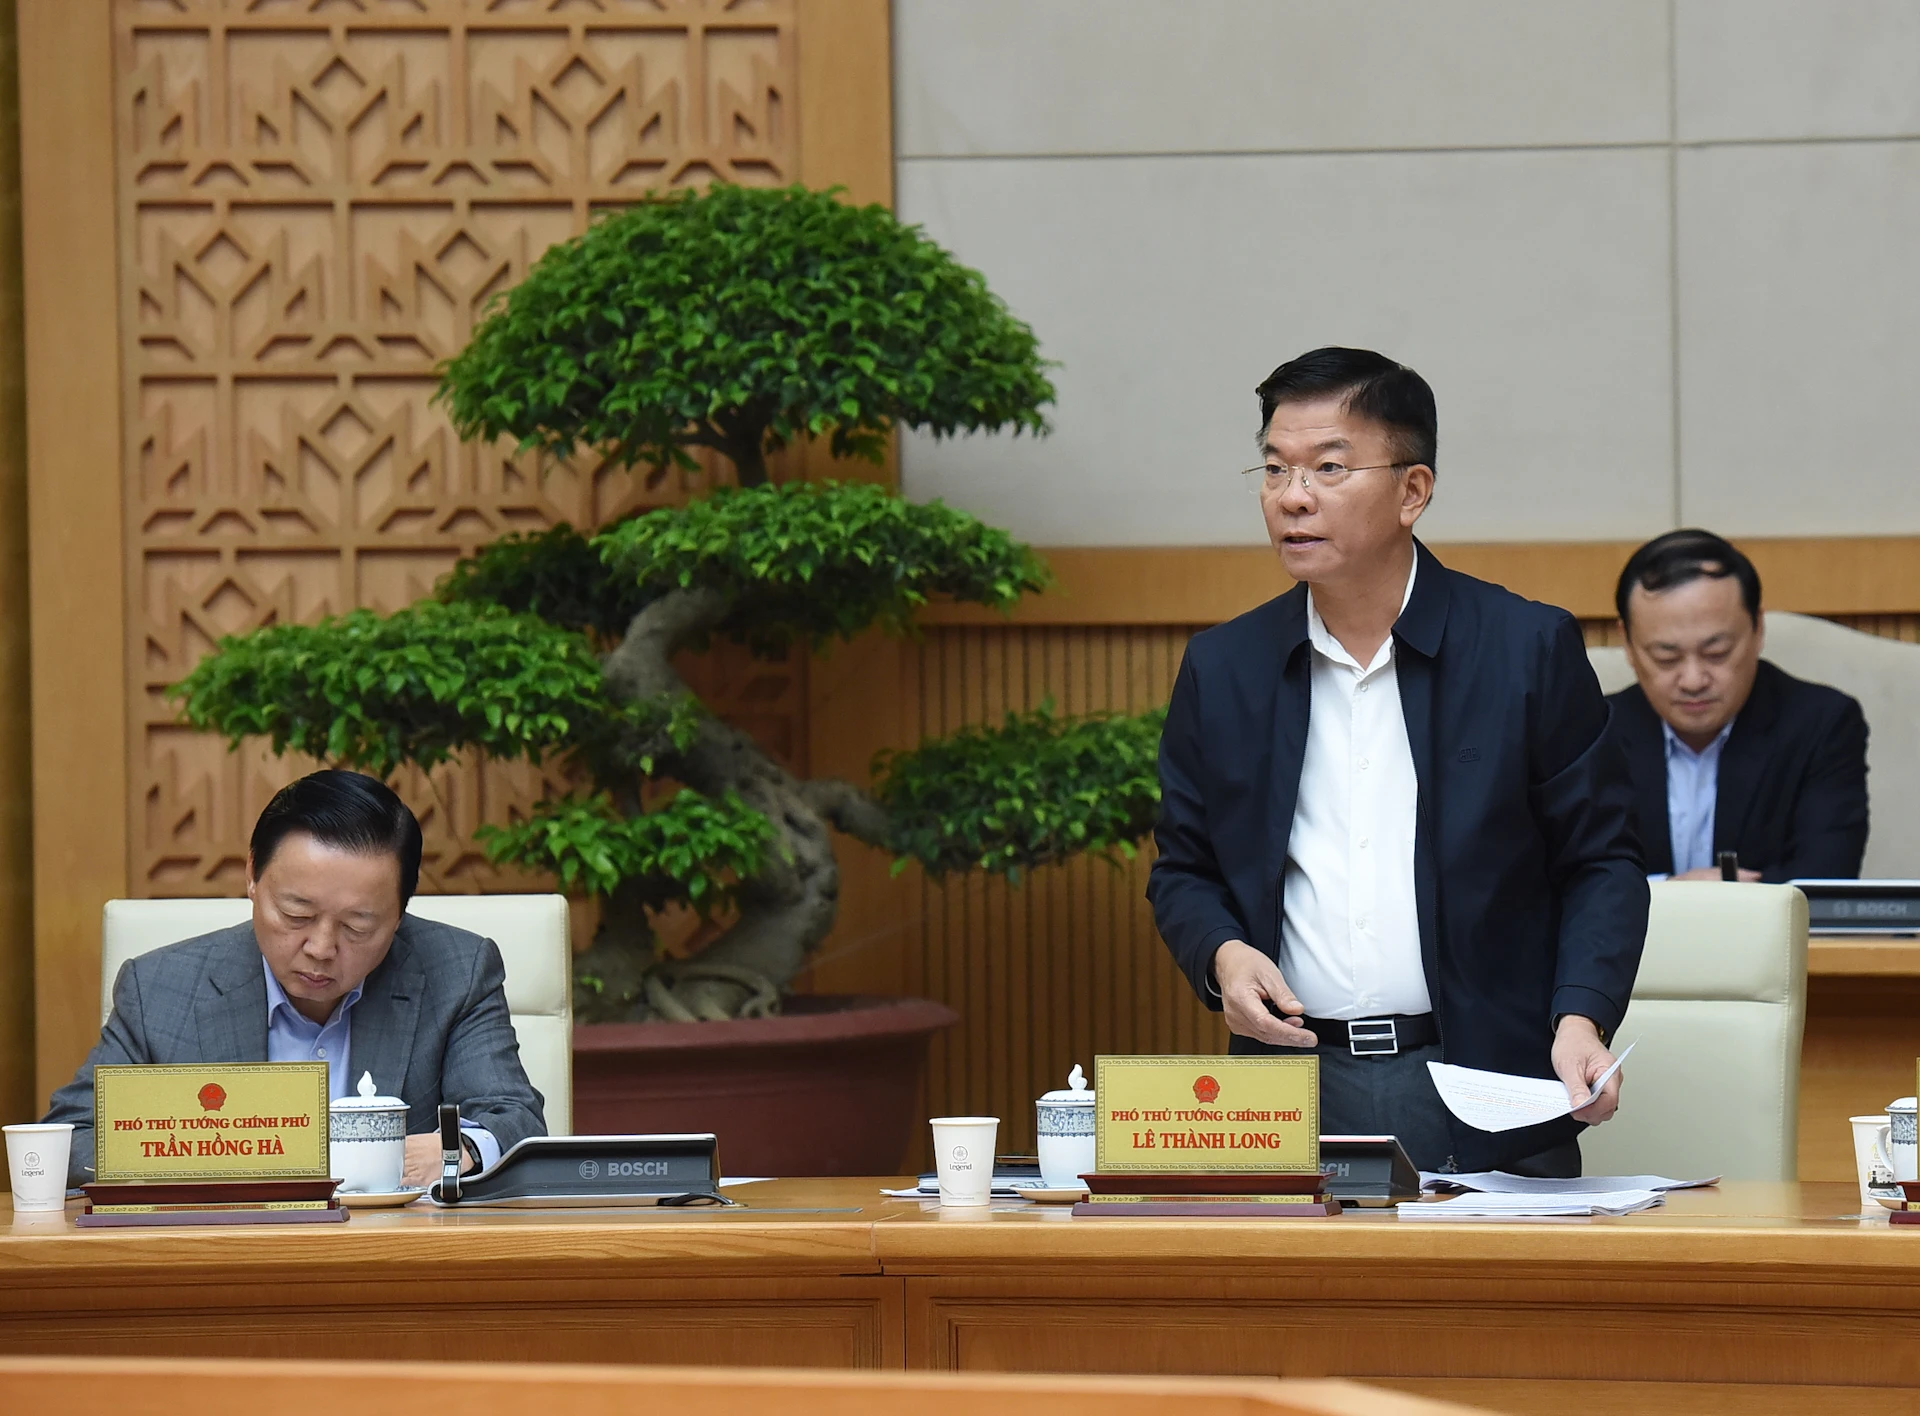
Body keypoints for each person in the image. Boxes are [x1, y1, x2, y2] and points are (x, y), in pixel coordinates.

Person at [1148, 347, 1648, 1176]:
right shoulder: (1224, 667)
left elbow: (1601, 859)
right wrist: (1222, 957)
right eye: (1274, 469)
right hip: (1288, 1087)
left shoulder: (1525, 649)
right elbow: (1184, 868)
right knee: (1291, 1310)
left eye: (1329, 468)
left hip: (1486, 1080)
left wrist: (1581, 1016)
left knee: (1489, 1310)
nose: (1293, 496)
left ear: (1413, 491)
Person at [46, 770, 545, 1187]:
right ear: (252, 876)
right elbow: (68, 1140)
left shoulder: (457, 970)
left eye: (358, 926)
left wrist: (456, 1152)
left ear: (400, 915)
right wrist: (222, 1153)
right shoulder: (158, 989)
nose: (321, 948)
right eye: (296, 914)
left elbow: (515, 1120)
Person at [1607, 529, 1869, 882]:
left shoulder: (1822, 725)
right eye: (1665, 657)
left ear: (1758, 628)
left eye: (1716, 653)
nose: (1694, 680)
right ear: (1627, 642)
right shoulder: (1594, 733)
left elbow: (1826, 878)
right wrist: (1670, 894)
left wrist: (1723, 901)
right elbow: (1562, 882)